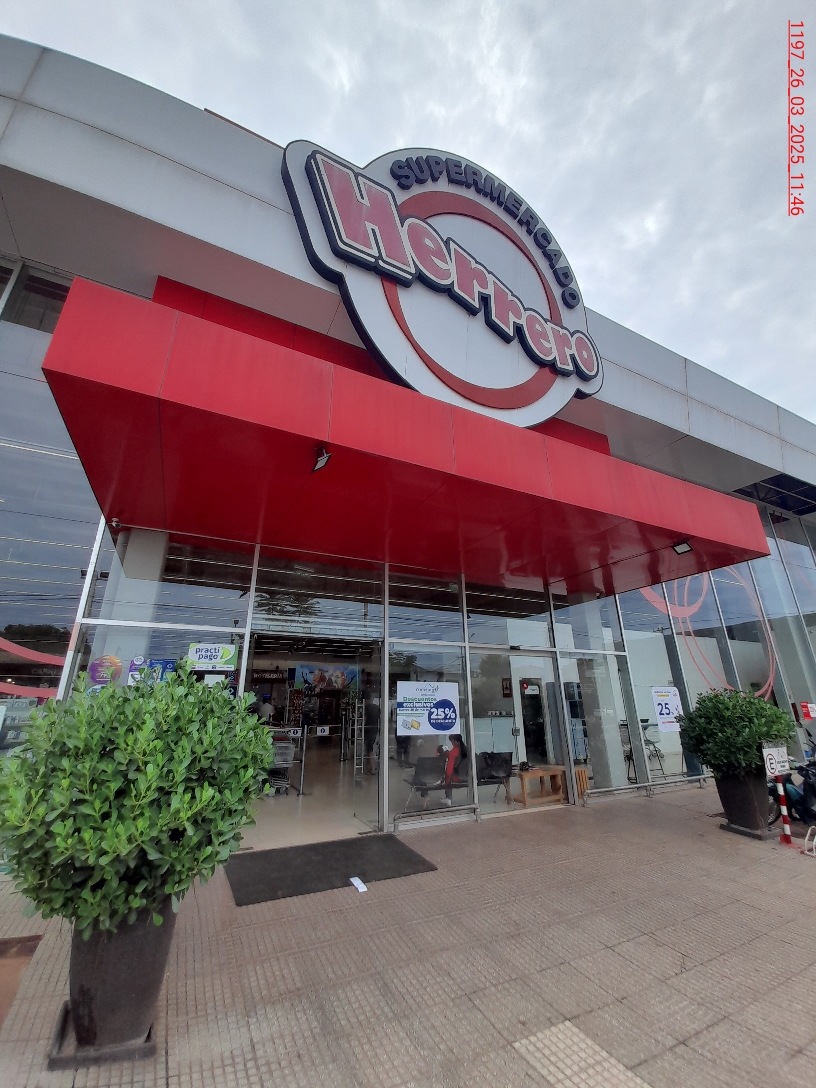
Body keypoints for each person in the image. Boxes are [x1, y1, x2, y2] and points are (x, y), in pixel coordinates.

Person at [363, 694, 380, 775]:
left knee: (369, 749)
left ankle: (372, 768)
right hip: (375, 728)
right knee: (372, 747)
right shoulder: (377, 707)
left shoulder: (366, 708)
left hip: (368, 729)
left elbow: (364, 719)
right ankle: (371, 766)